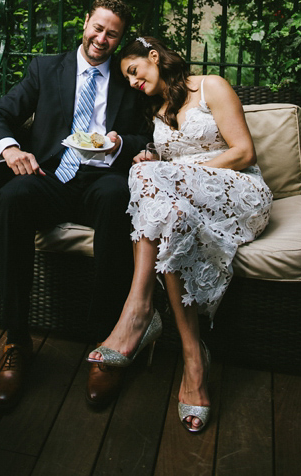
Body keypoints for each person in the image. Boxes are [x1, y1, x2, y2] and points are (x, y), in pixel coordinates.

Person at [86, 35, 273, 432]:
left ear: (154, 56)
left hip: (238, 191)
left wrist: (171, 171)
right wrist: (154, 158)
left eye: (134, 70)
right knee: (169, 216)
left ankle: (138, 310)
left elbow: (243, 152)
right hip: (188, 203)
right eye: (128, 79)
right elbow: (170, 167)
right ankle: (193, 358)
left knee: (146, 178)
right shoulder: (157, 111)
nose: (134, 82)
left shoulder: (211, 85)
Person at [0, 0, 152, 413]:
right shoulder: (46, 67)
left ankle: (105, 343)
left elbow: (154, 133)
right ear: (86, 21)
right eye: (98, 27)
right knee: (13, 199)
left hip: (101, 180)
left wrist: (125, 142)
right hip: (51, 178)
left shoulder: (129, 77)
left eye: (112, 34)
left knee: (117, 197)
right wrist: (11, 148)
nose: (102, 38)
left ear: (120, 40)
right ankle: (17, 340)